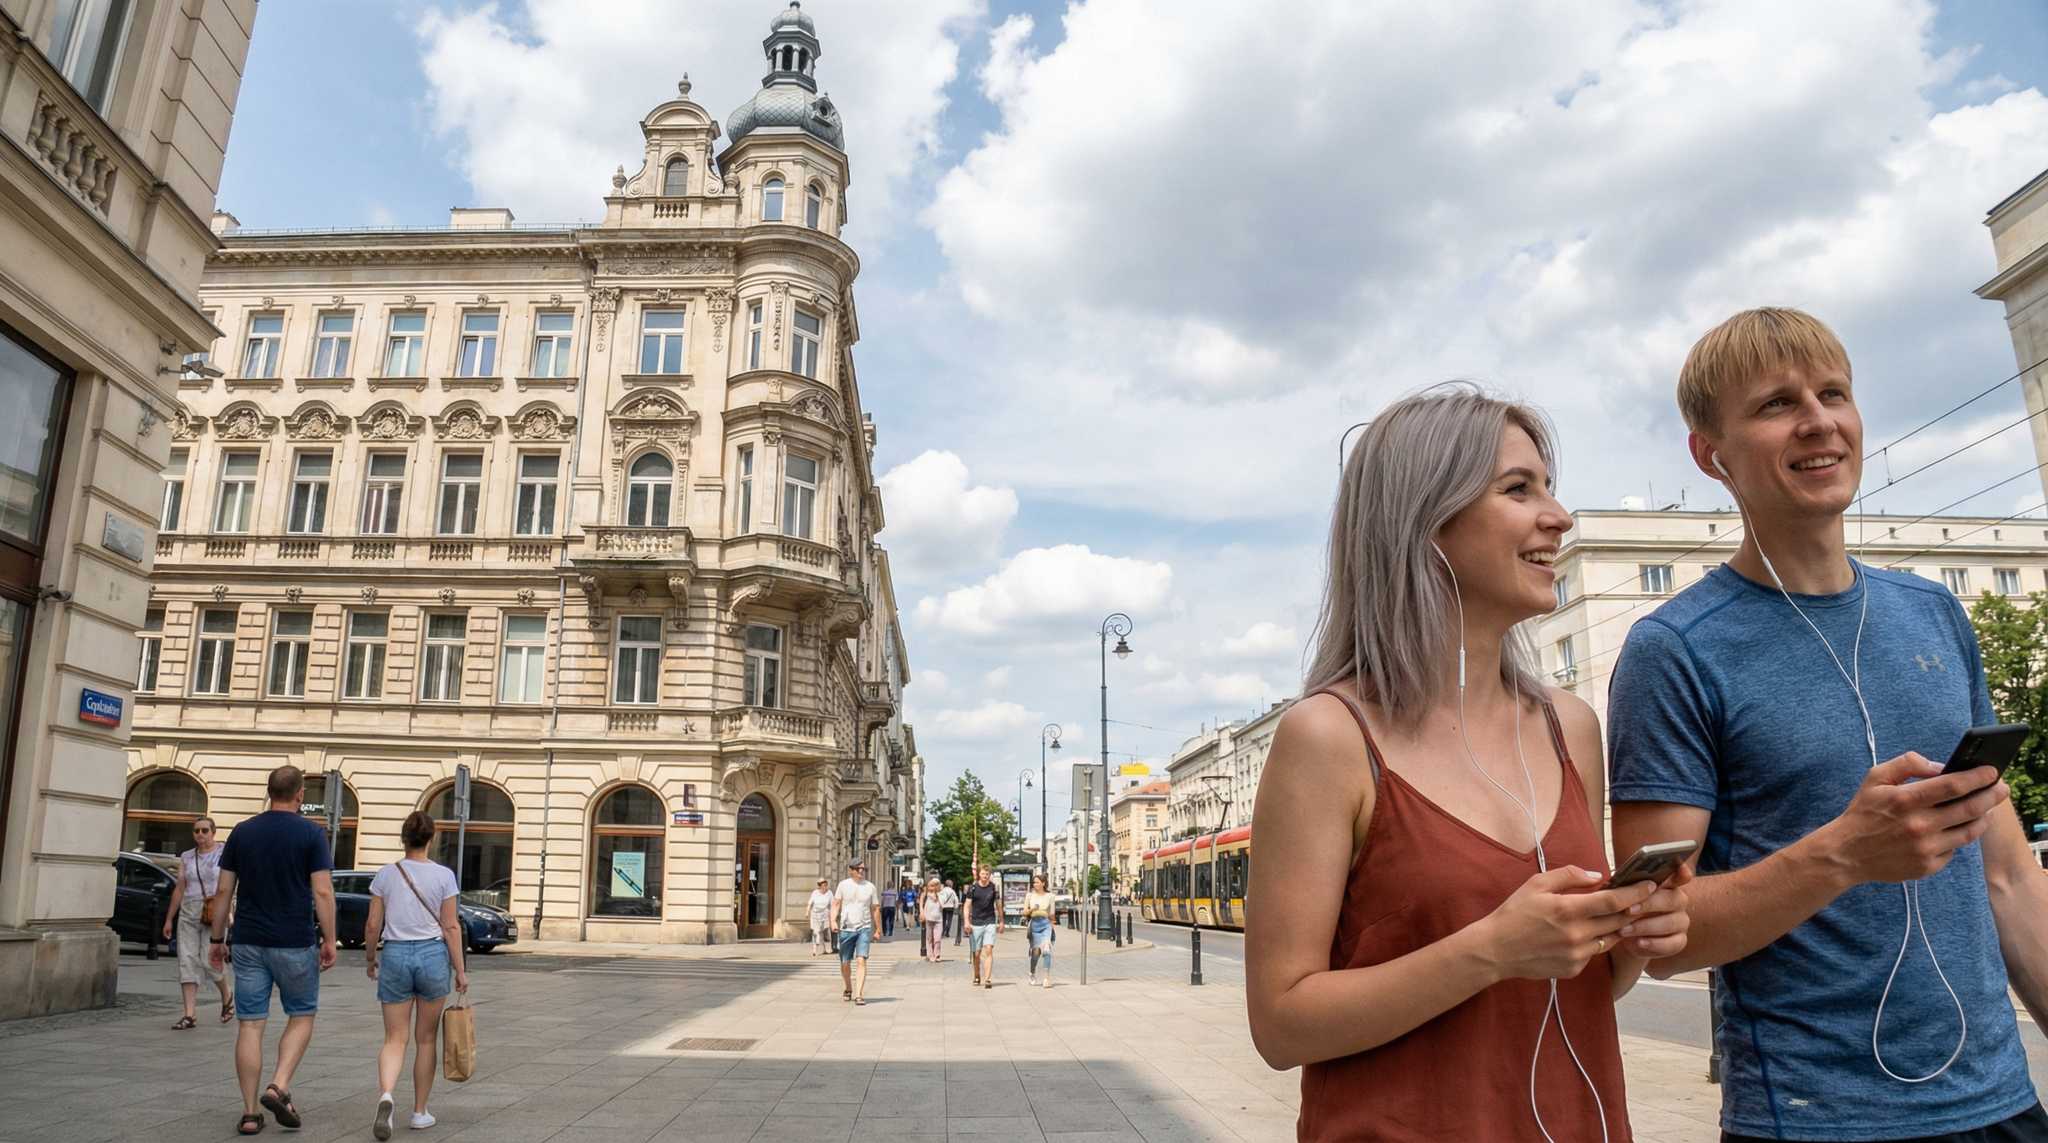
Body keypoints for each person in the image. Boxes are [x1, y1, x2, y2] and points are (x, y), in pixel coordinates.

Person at [1608, 308, 2048, 1143]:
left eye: (1833, 392)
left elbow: (2011, 879)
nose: (1819, 420)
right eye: (1776, 403)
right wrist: (1844, 853)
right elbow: (1660, 936)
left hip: (2001, 1104)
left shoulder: (1935, 615)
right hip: (1814, 1121)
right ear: (1711, 455)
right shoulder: (1674, 651)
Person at [1244, 384, 1692, 1141]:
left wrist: (1636, 934)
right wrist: (1490, 949)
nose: (1559, 516)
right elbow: (1281, 1023)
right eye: (1519, 489)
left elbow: (1581, 986)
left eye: (1550, 487)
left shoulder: (1572, 728)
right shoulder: (1329, 736)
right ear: (1424, 521)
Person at [209, 765, 338, 1137]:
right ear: (299, 794)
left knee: (250, 1023)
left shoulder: (242, 833)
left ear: (269, 792)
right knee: (301, 1014)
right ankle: (278, 1085)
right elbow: (323, 892)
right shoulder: (311, 835)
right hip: (294, 941)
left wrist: (217, 941)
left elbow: (223, 892)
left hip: (248, 940)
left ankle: (250, 1114)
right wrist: (329, 940)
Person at [364, 811, 469, 1140]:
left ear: (403, 838)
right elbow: (451, 926)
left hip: (394, 954)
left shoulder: (386, 875)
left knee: (395, 1038)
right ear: (431, 838)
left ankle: (386, 1096)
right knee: (426, 1039)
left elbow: (371, 925)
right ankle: (420, 1112)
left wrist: (370, 959)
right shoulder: (443, 876)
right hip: (432, 955)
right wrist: (461, 971)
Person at [164, 816, 233, 1029]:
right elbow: (180, 888)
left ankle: (227, 995)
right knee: (187, 960)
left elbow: (231, 885)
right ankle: (189, 1014)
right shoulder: (186, 857)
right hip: (189, 912)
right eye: (196, 831)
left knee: (209, 960)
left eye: (204, 830)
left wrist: (230, 910)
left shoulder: (224, 853)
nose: (200, 835)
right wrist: (169, 918)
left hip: (215, 911)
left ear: (213, 832)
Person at [833, 858, 881, 1005]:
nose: (861, 871)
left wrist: (878, 929)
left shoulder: (870, 887)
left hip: (864, 928)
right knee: (845, 963)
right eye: (858, 869)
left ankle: (859, 994)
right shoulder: (843, 885)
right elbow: (836, 904)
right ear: (851, 870)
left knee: (861, 960)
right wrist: (833, 921)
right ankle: (848, 987)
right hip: (846, 928)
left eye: (863, 869)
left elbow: (875, 908)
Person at [962, 865, 1004, 989]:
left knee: (989, 949)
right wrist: (966, 922)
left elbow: (999, 905)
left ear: (989, 875)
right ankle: (976, 975)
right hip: (975, 923)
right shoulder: (973, 888)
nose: (985, 876)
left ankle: (988, 979)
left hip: (990, 921)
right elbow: (966, 906)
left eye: (987, 874)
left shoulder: (993, 888)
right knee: (976, 953)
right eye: (983, 874)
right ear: (979, 874)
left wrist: (1001, 921)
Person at [1023, 874, 1056, 988]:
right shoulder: (1029, 896)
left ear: (1043, 883)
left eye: (1037, 882)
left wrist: (1053, 924)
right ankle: (1032, 972)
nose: (1035, 884)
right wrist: (1032, 909)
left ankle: (1046, 978)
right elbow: (1024, 912)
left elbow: (1052, 913)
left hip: (1046, 924)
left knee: (1046, 949)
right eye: (1034, 882)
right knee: (1036, 953)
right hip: (1034, 925)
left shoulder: (1050, 896)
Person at [807, 878, 834, 957]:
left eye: (826, 885)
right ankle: (814, 950)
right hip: (815, 914)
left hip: (825, 914)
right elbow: (810, 903)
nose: (825, 887)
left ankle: (825, 949)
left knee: (825, 932)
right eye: (823, 885)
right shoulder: (815, 893)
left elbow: (833, 904)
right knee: (816, 932)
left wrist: (833, 915)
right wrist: (807, 911)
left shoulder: (829, 893)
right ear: (819, 886)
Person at [919, 876, 944, 962]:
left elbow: (942, 905)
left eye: (935, 885)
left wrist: (937, 896)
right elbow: (921, 903)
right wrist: (922, 913)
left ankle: (937, 954)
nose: (933, 887)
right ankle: (930, 955)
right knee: (929, 938)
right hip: (928, 917)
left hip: (938, 918)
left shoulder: (941, 894)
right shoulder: (925, 893)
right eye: (932, 885)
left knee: (937, 938)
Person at [940, 878, 959, 946]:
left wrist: (941, 905)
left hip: (944, 907)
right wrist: (956, 906)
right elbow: (956, 899)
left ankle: (943, 932)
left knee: (944, 919)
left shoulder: (943, 890)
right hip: (951, 907)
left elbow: (940, 898)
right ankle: (947, 932)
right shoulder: (952, 891)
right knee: (950, 919)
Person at [879, 873, 897, 938]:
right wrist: (896, 907)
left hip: (885, 908)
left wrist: (881, 907)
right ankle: (890, 932)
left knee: (884, 920)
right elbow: (896, 901)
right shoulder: (895, 892)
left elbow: (882, 900)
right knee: (891, 920)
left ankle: (884, 932)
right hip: (892, 907)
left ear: (887, 885)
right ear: (893, 885)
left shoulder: (884, 892)